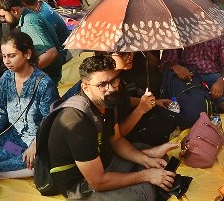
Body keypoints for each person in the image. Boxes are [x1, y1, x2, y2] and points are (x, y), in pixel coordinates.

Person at [47, 55, 178, 199]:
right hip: (81, 183)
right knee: (141, 194)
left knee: (157, 161)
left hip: (103, 160)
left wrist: (146, 160)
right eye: (102, 85)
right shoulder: (76, 123)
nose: (110, 89)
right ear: (85, 87)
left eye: (113, 80)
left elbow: (116, 140)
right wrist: (146, 176)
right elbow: (97, 182)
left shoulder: (107, 102)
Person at [0, 32, 59, 178]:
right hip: (14, 141)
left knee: (29, 161)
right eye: (4, 56)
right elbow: (1, 110)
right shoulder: (6, 78)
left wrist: (35, 144)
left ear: (27, 54)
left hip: (36, 141)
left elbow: (49, 120)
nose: (7, 61)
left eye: (12, 56)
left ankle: (30, 165)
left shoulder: (44, 84)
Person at [160, 35, 224, 116]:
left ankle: (200, 101)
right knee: (177, 90)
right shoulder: (179, 30)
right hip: (189, 77)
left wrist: (222, 80)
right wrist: (175, 66)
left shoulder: (221, 33)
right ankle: (215, 105)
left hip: (213, 76)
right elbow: (165, 63)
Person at [0, 0, 63, 84]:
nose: (2, 20)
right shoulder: (24, 19)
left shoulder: (30, 22)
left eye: (3, 16)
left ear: (14, 10)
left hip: (46, 79)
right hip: (37, 73)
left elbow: (51, 54)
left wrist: (22, 74)